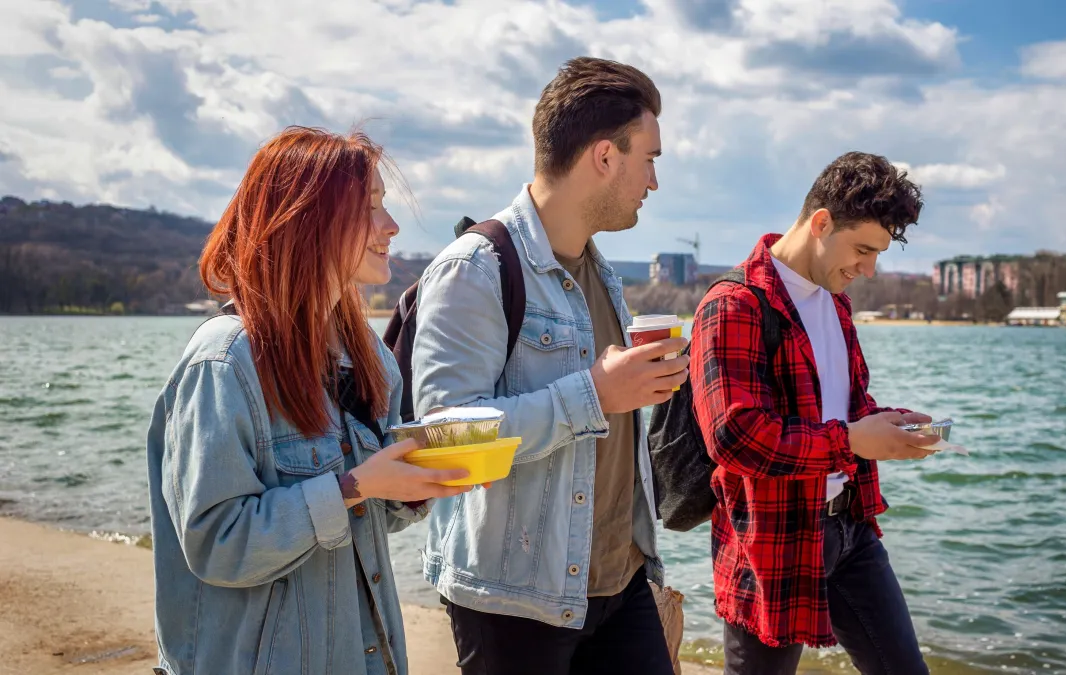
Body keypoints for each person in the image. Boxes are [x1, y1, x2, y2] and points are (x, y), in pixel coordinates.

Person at [145, 126, 481, 675]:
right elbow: (216, 545)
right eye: (369, 207)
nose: (391, 226)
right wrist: (354, 486)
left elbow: (365, 518)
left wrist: (423, 482)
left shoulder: (361, 350)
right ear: (307, 221)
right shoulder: (224, 360)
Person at [408, 57, 685, 675]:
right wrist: (594, 394)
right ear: (605, 157)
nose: (654, 181)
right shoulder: (474, 268)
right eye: (651, 158)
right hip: (516, 602)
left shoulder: (602, 272)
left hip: (623, 580)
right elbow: (439, 442)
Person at [689, 151, 940, 675]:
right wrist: (851, 441)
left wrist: (888, 426)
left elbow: (844, 407)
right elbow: (734, 437)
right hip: (771, 541)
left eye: (879, 254)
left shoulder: (836, 300)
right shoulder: (733, 303)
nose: (870, 269)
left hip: (851, 525)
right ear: (821, 223)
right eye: (863, 249)